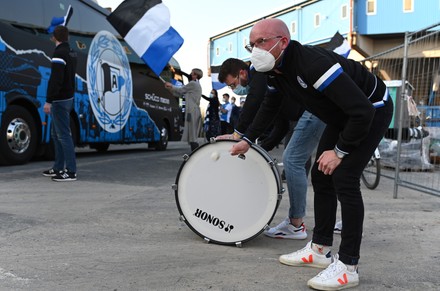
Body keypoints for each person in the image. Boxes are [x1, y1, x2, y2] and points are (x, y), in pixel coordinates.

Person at [229, 19, 393, 290]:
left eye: (261, 42)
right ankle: (320, 249)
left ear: (282, 42)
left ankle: (348, 266)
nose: (254, 49)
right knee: (320, 175)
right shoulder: (274, 69)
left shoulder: (311, 64)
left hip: (371, 109)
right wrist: (246, 138)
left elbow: (362, 111)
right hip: (343, 114)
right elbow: (271, 104)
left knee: (345, 179)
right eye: (251, 44)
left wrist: (340, 152)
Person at [218, 58, 313, 240]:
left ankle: (296, 225)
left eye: (233, 84)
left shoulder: (259, 73)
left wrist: (239, 134)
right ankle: (323, 220)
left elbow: (255, 101)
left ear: (242, 73)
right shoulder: (265, 82)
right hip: (298, 117)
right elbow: (281, 125)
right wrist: (259, 148)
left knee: (293, 161)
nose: (233, 90)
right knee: (303, 166)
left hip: (310, 112)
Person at [42, 25, 78, 182]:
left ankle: (70, 172)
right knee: (57, 135)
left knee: (63, 135)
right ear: (67, 37)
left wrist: (49, 100)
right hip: (68, 97)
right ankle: (57, 168)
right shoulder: (71, 52)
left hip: (59, 99)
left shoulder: (59, 53)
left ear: (54, 38)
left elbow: (56, 79)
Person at [165, 68, 203, 151]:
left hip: (192, 111)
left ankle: (194, 154)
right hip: (193, 110)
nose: (190, 74)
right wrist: (170, 88)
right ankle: (194, 153)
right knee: (192, 135)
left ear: (196, 75)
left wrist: (171, 85)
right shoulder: (196, 84)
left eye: (192, 73)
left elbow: (181, 89)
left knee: (192, 135)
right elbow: (180, 93)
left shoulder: (193, 84)